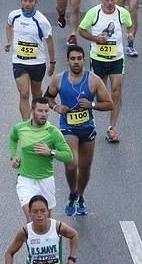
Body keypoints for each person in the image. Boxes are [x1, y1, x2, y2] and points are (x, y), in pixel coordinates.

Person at [45, 45, 113, 216]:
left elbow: (109, 104)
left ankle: (80, 196)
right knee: (71, 164)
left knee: (84, 167)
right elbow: (48, 97)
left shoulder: (94, 80)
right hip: (67, 127)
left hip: (87, 128)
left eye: (79, 58)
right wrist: (56, 107)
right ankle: (72, 192)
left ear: (84, 60)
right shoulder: (59, 79)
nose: (76, 62)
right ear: (68, 60)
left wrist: (92, 104)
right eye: (72, 59)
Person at [79, 0, 130, 143]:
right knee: (95, 94)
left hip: (117, 58)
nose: (109, 3)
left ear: (115, 0)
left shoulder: (122, 13)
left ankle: (112, 128)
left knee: (116, 90)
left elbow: (130, 24)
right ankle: (88, 123)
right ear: (101, 0)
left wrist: (130, 33)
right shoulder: (93, 13)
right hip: (98, 59)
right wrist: (95, 38)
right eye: (106, 0)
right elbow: (81, 30)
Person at [9, 97, 73, 217]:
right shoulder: (20, 128)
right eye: (40, 111)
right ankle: (32, 236)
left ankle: (51, 235)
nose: (44, 114)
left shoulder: (53, 133)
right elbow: (13, 138)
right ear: (32, 111)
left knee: (45, 221)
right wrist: (13, 157)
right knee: (32, 217)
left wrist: (50, 152)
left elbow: (68, 156)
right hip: (25, 179)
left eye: (46, 111)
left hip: (45, 180)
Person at [5, 0, 55, 120]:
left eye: (31, 1)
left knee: (36, 94)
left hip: (37, 63)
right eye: (25, 0)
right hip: (19, 62)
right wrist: (10, 41)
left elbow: (49, 42)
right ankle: (27, 125)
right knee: (24, 93)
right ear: (21, 1)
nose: (27, 4)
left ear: (36, 2)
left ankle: (37, 118)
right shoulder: (14, 15)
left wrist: (52, 62)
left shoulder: (42, 21)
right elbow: (9, 25)